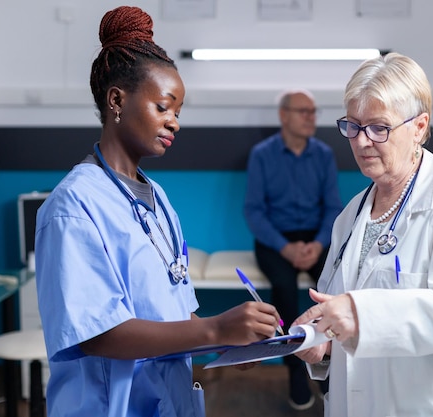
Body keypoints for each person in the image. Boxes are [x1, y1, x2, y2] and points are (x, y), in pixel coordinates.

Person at [34, 6, 281, 417]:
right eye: (163, 108)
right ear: (117, 100)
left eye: (178, 113)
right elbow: (97, 334)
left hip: (169, 401)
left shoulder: (158, 199)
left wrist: (226, 343)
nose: (175, 123)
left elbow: (176, 314)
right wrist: (215, 328)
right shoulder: (73, 206)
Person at [292, 52, 433, 416]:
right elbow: (341, 316)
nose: (362, 142)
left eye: (379, 128)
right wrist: (321, 340)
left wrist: (361, 314)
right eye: (353, 125)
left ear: (420, 127)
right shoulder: (350, 217)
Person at [243, 89, 344, 410]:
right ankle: (295, 374)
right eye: (304, 111)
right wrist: (286, 248)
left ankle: (330, 371)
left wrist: (317, 244)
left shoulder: (323, 154)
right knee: (284, 290)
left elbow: (333, 208)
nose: (311, 118)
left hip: (316, 237)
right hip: (276, 240)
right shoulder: (263, 154)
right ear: (284, 115)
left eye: (314, 112)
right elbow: (254, 212)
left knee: (332, 287)